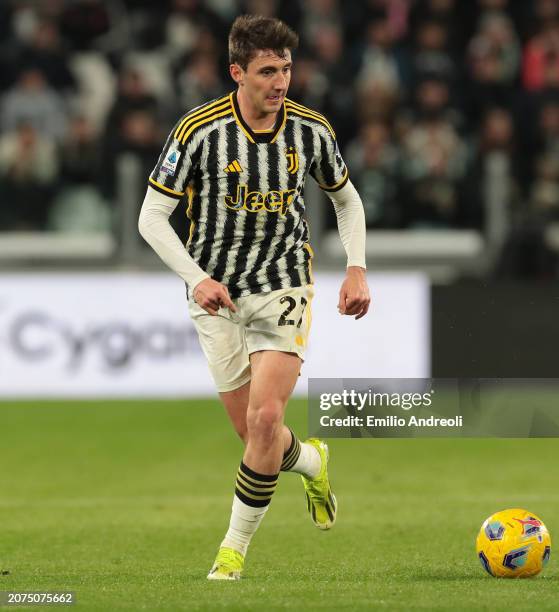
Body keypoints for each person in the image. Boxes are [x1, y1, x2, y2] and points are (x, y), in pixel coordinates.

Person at [138, 14, 370, 580]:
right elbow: (151, 217)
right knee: (253, 434)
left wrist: (357, 268)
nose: (281, 81)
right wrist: (197, 278)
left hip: (283, 281)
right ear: (237, 72)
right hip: (215, 292)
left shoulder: (311, 131)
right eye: (268, 70)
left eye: (287, 68)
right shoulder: (198, 131)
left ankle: (232, 551)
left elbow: (347, 200)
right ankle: (311, 460)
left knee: (266, 421)